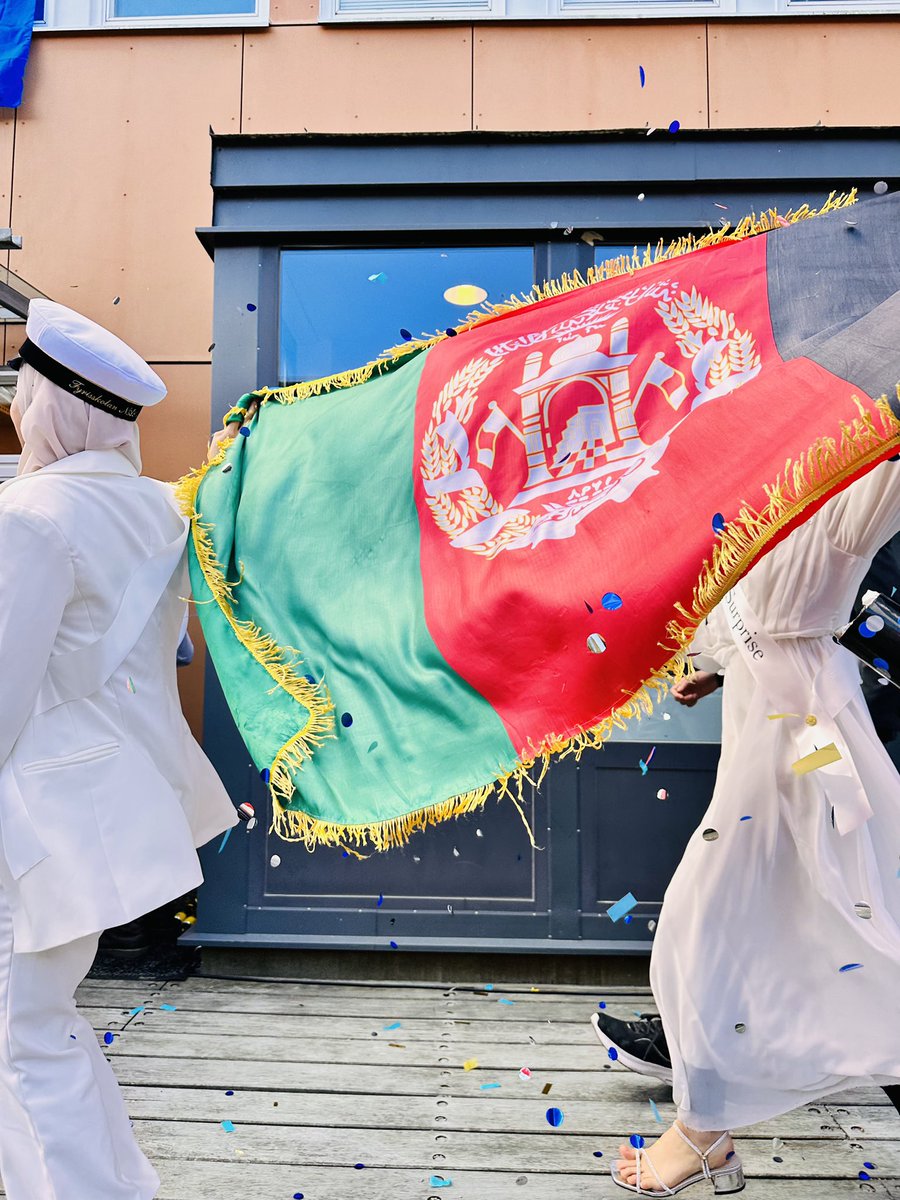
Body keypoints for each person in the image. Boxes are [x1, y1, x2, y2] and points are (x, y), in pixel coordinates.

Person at [598, 460, 900, 1195]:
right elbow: (759, 604)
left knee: (714, 924)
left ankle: (702, 1135)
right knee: (840, 925)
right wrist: (713, 662)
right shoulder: (773, 465)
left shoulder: (860, 476)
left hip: (805, 745)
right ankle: (707, 1136)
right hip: (771, 738)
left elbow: (797, 612)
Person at [0, 299, 236, 1199]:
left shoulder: (29, 514)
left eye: (24, 393)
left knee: (20, 1042)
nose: (19, 411)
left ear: (55, 405)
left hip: (30, 824)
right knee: (43, 1026)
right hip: (106, 809)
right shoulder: (153, 507)